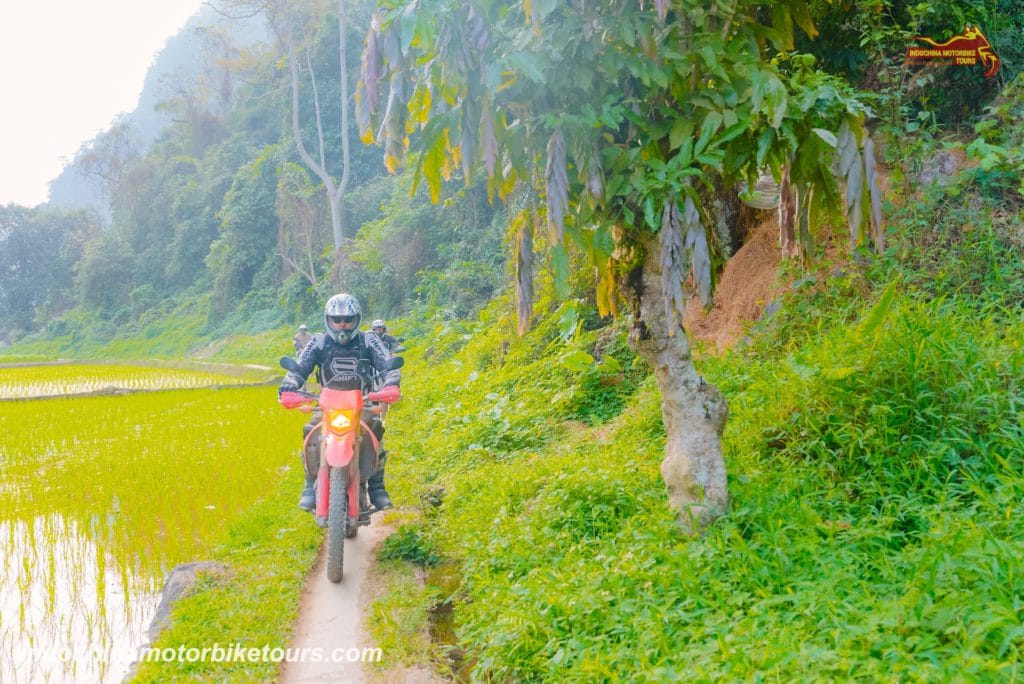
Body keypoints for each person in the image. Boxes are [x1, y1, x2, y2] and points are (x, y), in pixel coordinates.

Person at [279, 294, 399, 512]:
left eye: (348, 320)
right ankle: (309, 485)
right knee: (310, 431)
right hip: (328, 405)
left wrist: (391, 384)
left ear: (357, 320)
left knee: (375, 430)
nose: (342, 324)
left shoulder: (369, 339)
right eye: (337, 320)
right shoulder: (319, 341)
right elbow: (300, 367)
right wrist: (288, 387)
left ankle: (377, 487)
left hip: (361, 403)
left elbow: (387, 364)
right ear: (329, 320)